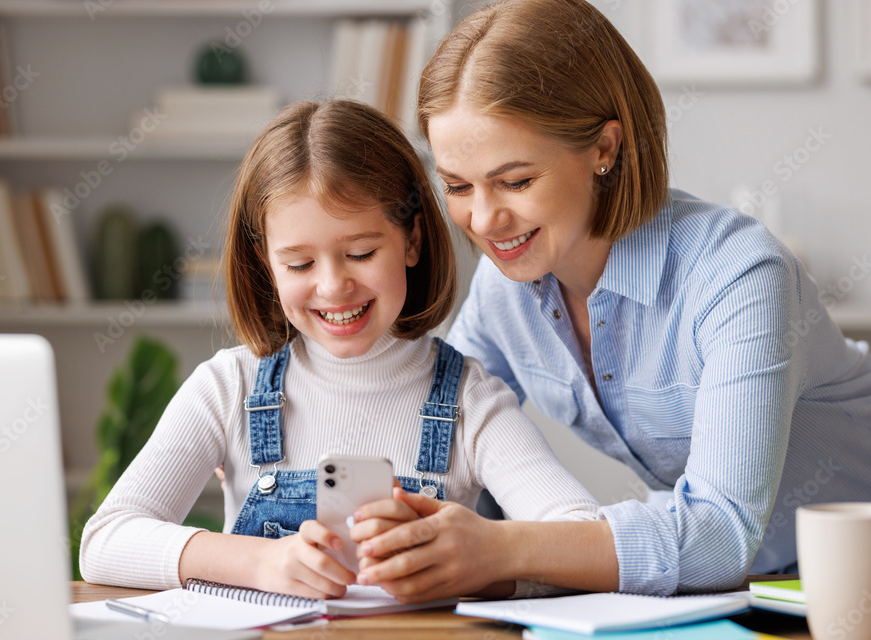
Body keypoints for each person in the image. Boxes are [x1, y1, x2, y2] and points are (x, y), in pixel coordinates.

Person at [353, 0, 871, 600]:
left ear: (604, 148)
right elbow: (434, 444)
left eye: (516, 181)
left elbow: (720, 536)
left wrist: (501, 547)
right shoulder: (508, 290)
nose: (485, 218)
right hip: (765, 587)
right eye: (457, 186)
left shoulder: (740, 275)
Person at [79, 99, 601, 600]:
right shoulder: (228, 388)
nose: (333, 287)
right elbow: (105, 542)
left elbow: (586, 543)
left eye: (360, 253)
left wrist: (472, 565)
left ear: (412, 240)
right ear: (266, 263)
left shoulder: (471, 401)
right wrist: (261, 562)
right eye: (299, 264)